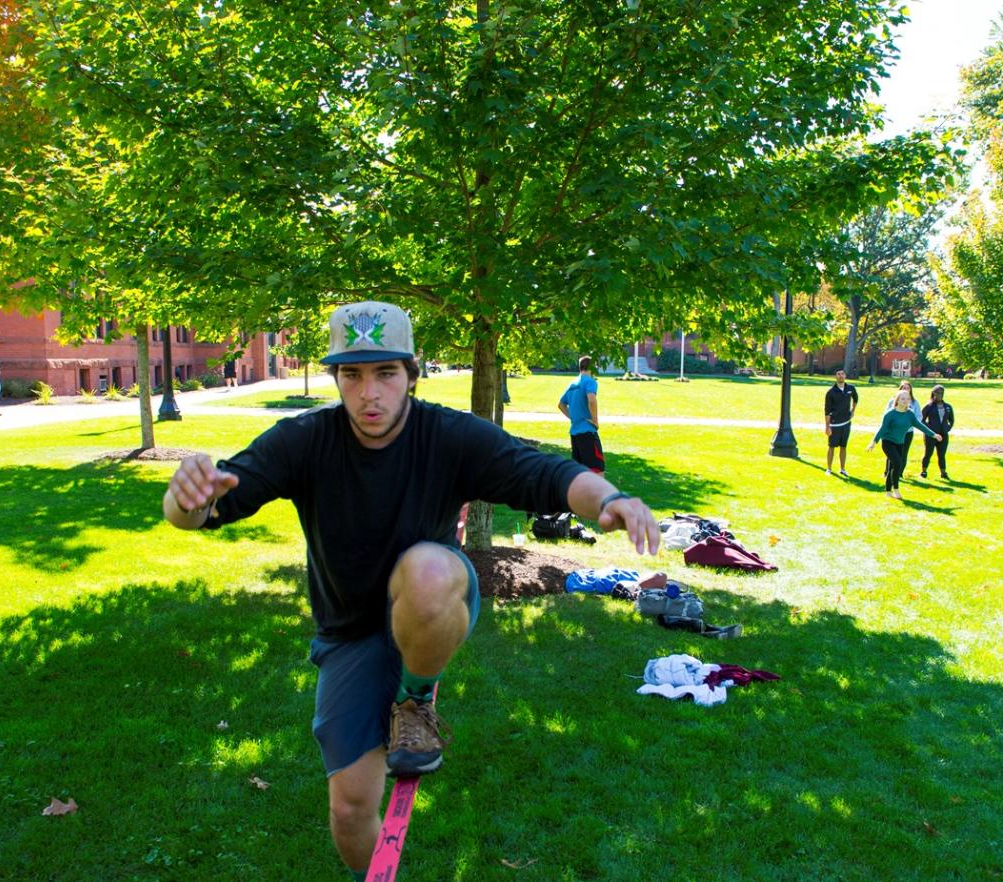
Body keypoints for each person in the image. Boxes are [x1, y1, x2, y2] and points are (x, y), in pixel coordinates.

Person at [162, 303, 658, 881]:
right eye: (352, 375)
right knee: (349, 809)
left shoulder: (446, 435)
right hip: (350, 633)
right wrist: (185, 501)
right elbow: (209, 506)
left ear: (412, 374)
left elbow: (539, 472)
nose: (369, 393)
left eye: (385, 374)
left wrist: (608, 499)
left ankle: (415, 701)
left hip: (432, 601)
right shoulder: (304, 441)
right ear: (336, 379)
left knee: (426, 570)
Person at [867, 389, 941, 500]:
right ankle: (896, 489)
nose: (906, 401)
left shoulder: (910, 414)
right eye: (903, 398)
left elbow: (919, 425)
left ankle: (888, 491)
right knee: (897, 463)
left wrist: (933, 434)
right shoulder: (890, 414)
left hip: (900, 443)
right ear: (897, 400)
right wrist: (873, 442)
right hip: (888, 442)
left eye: (908, 399)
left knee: (893, 466)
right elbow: (882, 429)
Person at [558, 355, 604, 473]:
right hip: (588, 433)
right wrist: (595, 421)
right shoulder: (590, 381)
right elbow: (592, 400)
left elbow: (561, 404)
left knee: (580, 475)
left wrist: (572, 417)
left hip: (575, 435)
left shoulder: (572, 384)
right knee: (596, 473)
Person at [823, 369, 858, 476]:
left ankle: (842, 469)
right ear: (835, 376)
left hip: (846, 423)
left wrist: (853, 410)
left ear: (845, 375)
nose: (841, 376)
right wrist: (827, 426)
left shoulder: (850, 388)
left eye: (842, 374)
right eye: (838, 374)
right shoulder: (831, 392)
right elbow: (827, 410)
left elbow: (855, 398)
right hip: (834, 424)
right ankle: (829, 469)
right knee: (831, 446)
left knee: (844, 446)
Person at [920, 384, 954, 479]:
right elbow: (921, 420)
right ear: (933, 393)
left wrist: (947, 428)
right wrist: (929, 429)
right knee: (928, 453)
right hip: (931, 435)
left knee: (942, 454)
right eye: (938, 393)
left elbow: (951, 420)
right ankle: (924, 471)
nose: (940, 395)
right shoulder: (929, 406)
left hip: (943, 434)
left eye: (942, 393)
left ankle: (943, 472)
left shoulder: (947, 407)